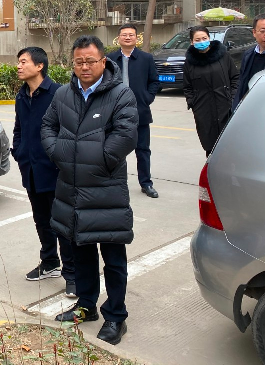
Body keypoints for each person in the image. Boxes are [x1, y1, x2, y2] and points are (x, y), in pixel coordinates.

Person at [41, 35, 138, 346]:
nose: (84, 67)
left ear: (103, 62)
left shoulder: (120, 94)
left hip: (105, 188)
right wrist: (59, 153)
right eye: (79, 61)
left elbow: (126, 135)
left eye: (90, 61)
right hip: (71, 188)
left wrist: (100, 160)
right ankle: (86, 305)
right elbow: (48, 126)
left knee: (113, 257)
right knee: (81, 251)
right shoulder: (63, 94)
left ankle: (116, 316)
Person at [11, 47, 75, 297]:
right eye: (18, 62)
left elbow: (69, 131)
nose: (19, 66)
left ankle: (72, 274)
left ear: (39, 66)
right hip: (30, 169)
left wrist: (59, 159)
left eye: (23, 62)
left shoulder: (59, 93)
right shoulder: (22, 95)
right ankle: (49, 262)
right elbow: (19, 128)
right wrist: (19, 151)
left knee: (62, 224)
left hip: (54, 170)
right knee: (41, 220)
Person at [107, 25, 160, 199]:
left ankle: (146, 183)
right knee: (114, 150)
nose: (128, 37)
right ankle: (113, 183)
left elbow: (154, 82)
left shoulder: (146, 58)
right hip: (115, 112)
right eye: (124, 35)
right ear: (118, 38)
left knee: (143, 150)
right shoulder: (110, 59)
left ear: (137, 38)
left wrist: (147, 98)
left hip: (140, 111)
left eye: (131, 35)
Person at [182, 26, 239, 156]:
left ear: (209, 38)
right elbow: (187, 86)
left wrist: (232, 97)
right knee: (210, 144)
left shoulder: (223, 56)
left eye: (204, 38)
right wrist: (193, 102)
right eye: (197, 40)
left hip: (225, 105)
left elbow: (235, 77)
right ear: (192, 42)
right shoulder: (190, 62)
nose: (201, 42)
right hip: (203, 109)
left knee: (228, 144)